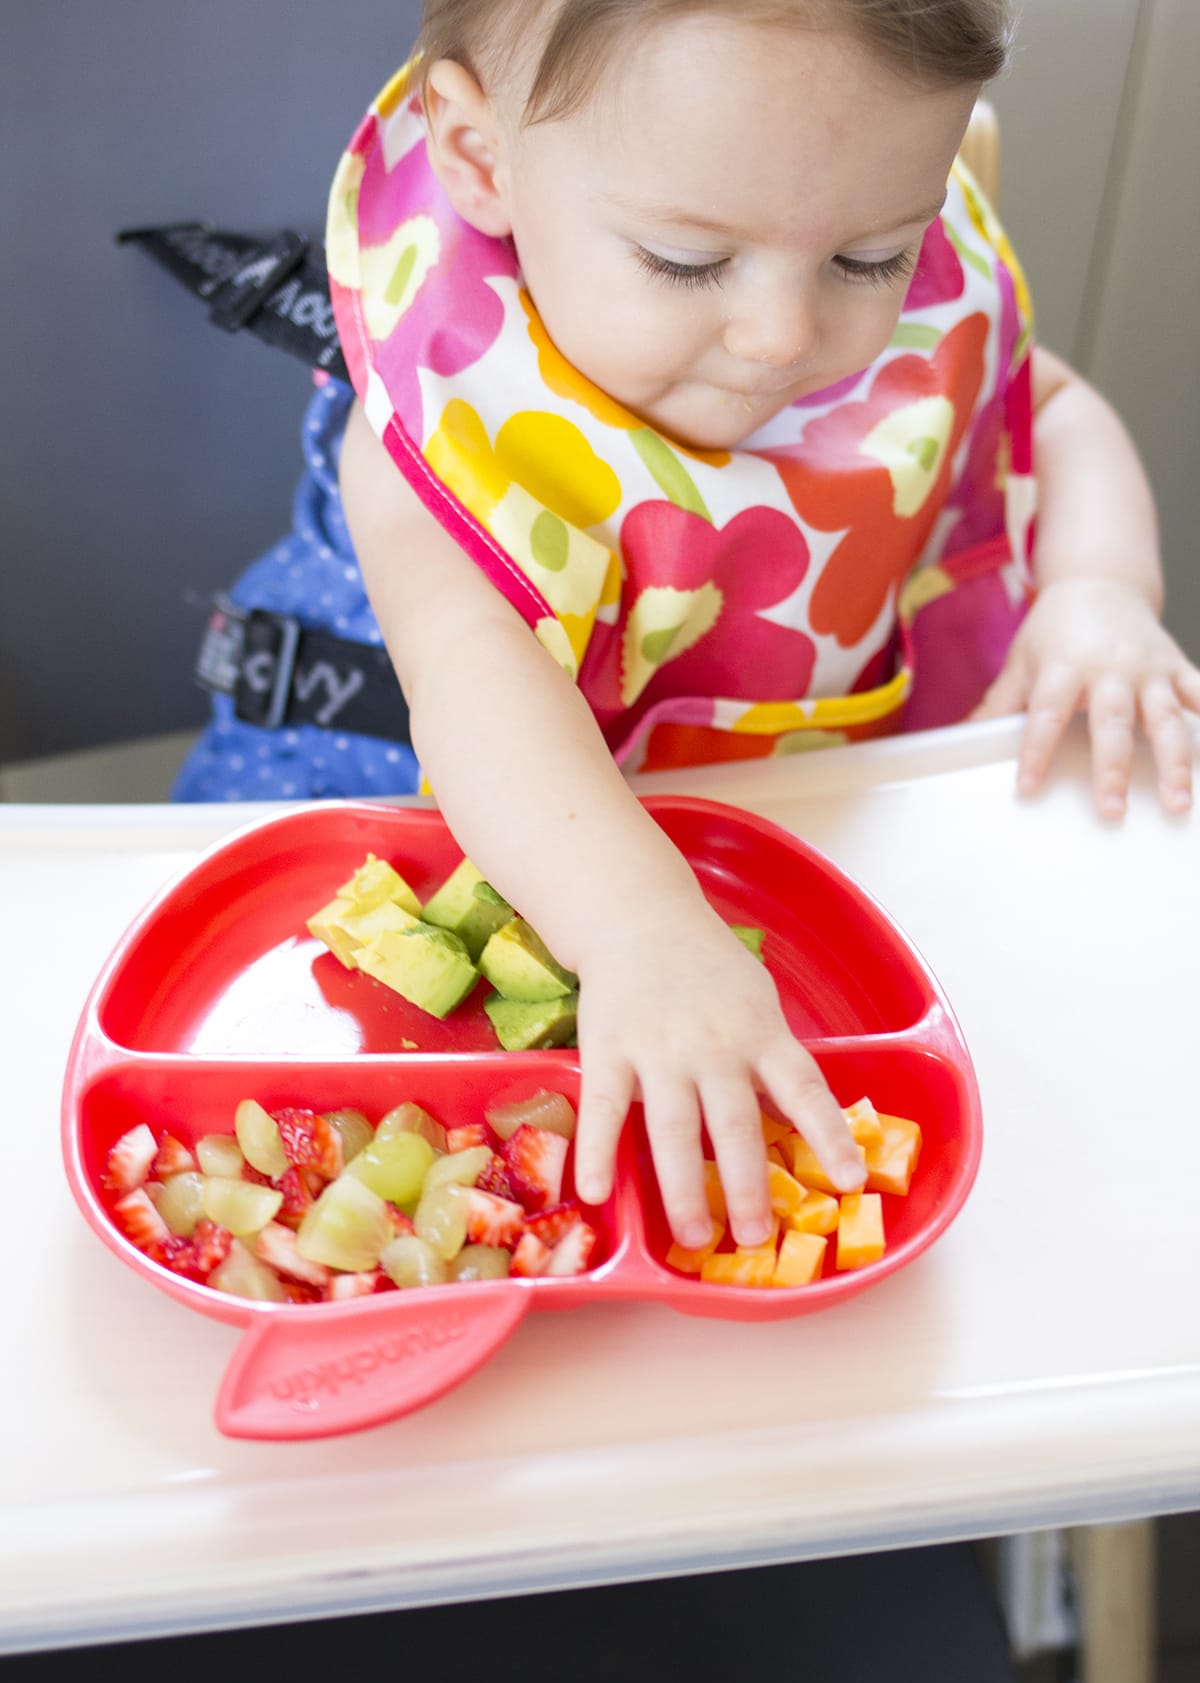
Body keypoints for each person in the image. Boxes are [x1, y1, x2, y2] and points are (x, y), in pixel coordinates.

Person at [174, 0, 1198, 1253]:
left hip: (772, 847)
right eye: (686, 260)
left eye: (871, 258)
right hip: (403, 852)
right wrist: (643, 937)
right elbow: (472, 682)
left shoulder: (825, 220)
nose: (784, 336)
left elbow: (1047, 405)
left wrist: (1099, 588)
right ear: (482, 160)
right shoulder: (439, 423)